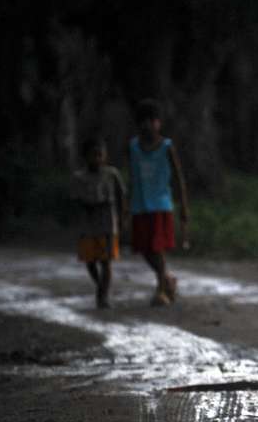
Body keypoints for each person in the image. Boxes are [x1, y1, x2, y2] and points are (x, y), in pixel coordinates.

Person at [128, 99, 189, 306]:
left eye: (151, 121)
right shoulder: (134, 147)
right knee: (145, 250)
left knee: (157, 248)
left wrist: (183, 206)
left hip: (160, 205)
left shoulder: (166, 147)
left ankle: (161, 289)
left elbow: (179, 177)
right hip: (139, 205)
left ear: (158, 123)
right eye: (142, 121)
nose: (147, 125)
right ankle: (167, 278)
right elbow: (132, 177)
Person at [71, 136, 127, 309]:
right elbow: (75, 199)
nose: (97, 159)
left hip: (107, 224)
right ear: (85, 156)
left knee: (106, 261)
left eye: (100, 155)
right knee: (90, 261)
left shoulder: (111, 174)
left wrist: (123, 216)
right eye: (93, 155)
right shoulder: (79, 177)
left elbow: (121, 195)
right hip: (88, 226)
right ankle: (101, 286)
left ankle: (102, 295)